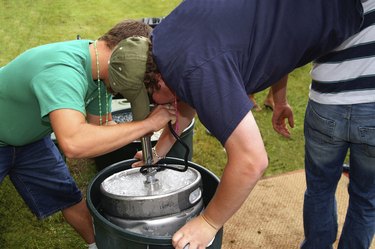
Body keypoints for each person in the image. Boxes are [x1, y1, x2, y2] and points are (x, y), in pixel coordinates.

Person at [120, 0, 364, 248]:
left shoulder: (196, 69)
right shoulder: (166, 39)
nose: (158, 108)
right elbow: (184, 99)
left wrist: (208, 222)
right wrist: (159, 151)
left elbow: (251, 161)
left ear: (159, 83)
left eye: (152, 102)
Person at [0, 20, 176, 248]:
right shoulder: (63, 72)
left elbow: (101, 127)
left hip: (30, 139)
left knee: (69, 197)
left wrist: (150, 150)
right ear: (124, 52)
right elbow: (74, 144)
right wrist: (147, 125)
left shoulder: (101, 73)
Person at [272, 1, 375, 248]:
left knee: (319, 189)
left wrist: (280, 101)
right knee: (366, 198)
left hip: (325, 104)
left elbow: (287, 45)